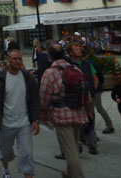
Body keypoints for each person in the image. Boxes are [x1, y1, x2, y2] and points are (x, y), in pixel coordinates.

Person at [0, 49, 41, 178]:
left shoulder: (27, 77)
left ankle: (28, 174)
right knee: (5, 153)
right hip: (5, 123)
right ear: (8, 60)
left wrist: (35, 119)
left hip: (24, 123)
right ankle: (5, 169)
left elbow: (35, 99)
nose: (18, 61)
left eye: (20, 59)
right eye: (14, 59)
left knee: (26, 153)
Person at [40, 43, 91, 178]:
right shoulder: (75, 68)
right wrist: (88, 110)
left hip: (62, 115)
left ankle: (77, 175)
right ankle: (69, 173)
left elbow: (44, 96)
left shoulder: (50, 73)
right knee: (72, 147)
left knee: (70, 151)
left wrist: (43, 114)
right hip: (79, 112)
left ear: (50, 56)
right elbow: (86, 93)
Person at [66, 43, 98, 154]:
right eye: (76, 49)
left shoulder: (87, 64)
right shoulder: (68, 65)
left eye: (79, 49)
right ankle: (80, 138)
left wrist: (93, 89)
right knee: (77, 121)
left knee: (90, 119)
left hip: (89, 96)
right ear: (70, 53)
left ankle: (92, 143)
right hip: (75, 97)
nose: (79, 51)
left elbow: (95, 77)